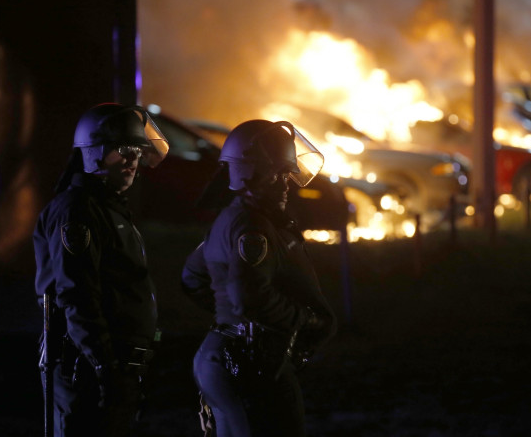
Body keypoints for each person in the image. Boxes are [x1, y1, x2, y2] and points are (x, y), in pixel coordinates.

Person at [181, 119, 337, 437]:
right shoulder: (252, 227)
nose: (285, 184)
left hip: (234, 357)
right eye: (275, 174)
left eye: (287, 173)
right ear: (247, 174)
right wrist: (303, 320)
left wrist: (230, 317)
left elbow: (193, 277)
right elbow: (249, 296)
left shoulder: (232, 218)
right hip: (250, 363)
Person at [34, 103, 169, 436]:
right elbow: (76, 293)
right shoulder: (77, 210)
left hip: (111, 367)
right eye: (123, 149)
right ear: (94, 152)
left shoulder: (108, 207)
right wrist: (105, 368)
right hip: (84, 367)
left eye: (138, 150)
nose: (133, 159)